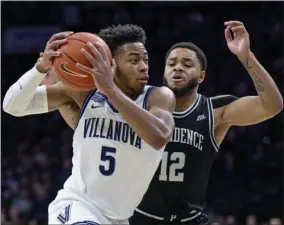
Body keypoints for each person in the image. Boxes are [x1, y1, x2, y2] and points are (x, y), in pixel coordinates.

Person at [3, 24, 176, 224]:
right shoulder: (81, 93)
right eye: (134, 60)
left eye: (145, 59)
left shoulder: (158, 97)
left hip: (118, 218)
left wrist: (111, 89)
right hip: (78, 206)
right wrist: (40, 69)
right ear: (109, 63)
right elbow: (12, 106)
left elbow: (159, 137)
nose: (144, 66)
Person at [129, 21, 283, 224]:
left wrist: (246, 56)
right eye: (172, 63)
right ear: (164, 72)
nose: (177, 68)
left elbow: (272, 105)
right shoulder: (140, 103)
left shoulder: (214, 111)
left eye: (187, 64)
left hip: (190, 219)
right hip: (139, 217)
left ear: (201, 76)